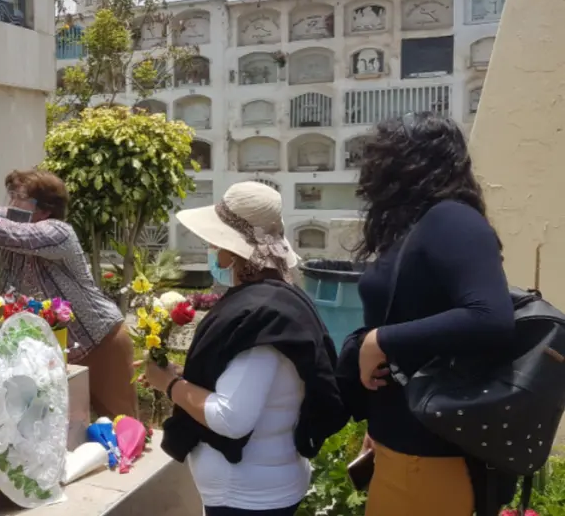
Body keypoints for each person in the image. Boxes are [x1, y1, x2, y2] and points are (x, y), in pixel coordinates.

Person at [336, 113, 515, 516]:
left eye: (383, 155)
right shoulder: (418, 226)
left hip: (432, 462)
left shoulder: (452, 220)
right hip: (403, 452)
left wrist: (380, 340)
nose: (372, 167)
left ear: (411, 162)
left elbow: (491, 316)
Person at [145, 181, 347, 516]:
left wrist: (169, 384)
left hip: (248, 496)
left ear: (234, 250)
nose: (211, 248)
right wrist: (184, 377)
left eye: (215, 241)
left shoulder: (261, 318)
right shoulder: (277, 300)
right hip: (262, 485)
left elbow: (232, 417)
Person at [0, 165, 138, 419]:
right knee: (69, 431)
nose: (11, 204)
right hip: (57, 353)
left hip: (100, 343)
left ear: (45, 209)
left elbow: (12, 234)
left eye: (19, 198)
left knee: (121, 424)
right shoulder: (16, 219)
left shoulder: (57, 231)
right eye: (10, 196)